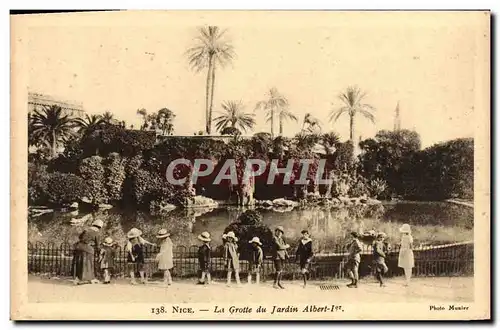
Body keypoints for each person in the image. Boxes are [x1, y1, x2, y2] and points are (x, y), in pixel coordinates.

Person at [72, 219, 103, 285]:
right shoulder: (96, 233)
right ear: (99, 227)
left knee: (79, 263)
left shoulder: (86, 230)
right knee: (88, 265)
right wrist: (99, 253)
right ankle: (89, 278)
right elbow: (98, 245)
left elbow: (80, 237)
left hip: (79, 247)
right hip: (88, 249)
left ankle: (77, 278)